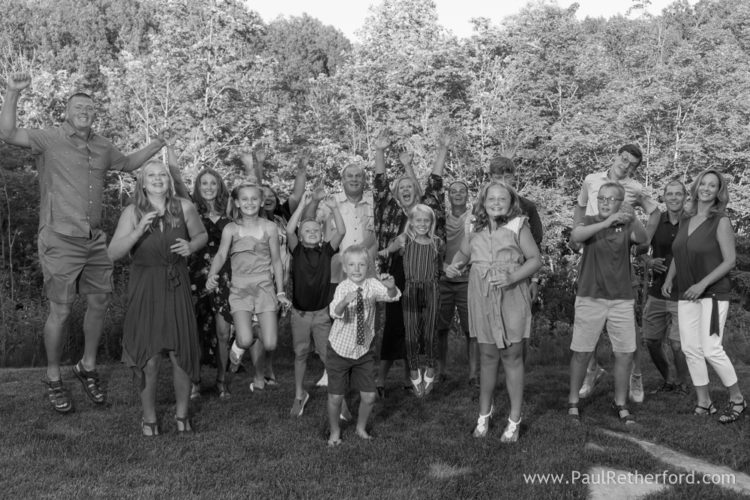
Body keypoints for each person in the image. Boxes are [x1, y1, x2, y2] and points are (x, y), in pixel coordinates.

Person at [0, 72, 168, 413]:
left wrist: (158, 143)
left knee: (100, 301)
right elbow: (8, 133)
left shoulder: (103, 146)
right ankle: (53, 376)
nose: (85, 111)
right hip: (59, 236)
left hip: (93, 239)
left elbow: (128, 163)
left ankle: (87, 366)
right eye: (78, 107)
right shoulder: (49, 138)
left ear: (95, 114)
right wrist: (13, 92)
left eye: (90, 108)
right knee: (61, 310)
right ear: (66, 112)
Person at [108, 160, 207, 435]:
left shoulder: (184, 207)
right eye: (151, 175)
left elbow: (201, 235)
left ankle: (182, 415)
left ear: (169, 180)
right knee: (148, 356)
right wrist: (138, 230)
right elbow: (113, 253)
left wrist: (191, 245)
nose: (157, 179)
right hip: (146, 286)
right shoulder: (132, 212)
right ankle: (149, 417)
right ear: (142, 182)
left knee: (180, 353)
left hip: (177, 283)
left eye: (162, 174)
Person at [446, 182, 541, 442]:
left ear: (511, 203)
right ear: (483, 201)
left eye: (502, 199)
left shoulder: (518, 225)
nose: (496, 203)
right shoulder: (473, 226)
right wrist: (455, 266)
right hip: (481, 295)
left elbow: (535, 259)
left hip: (511, 294)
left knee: (511, 356)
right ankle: (483, 415)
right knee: (487, 356)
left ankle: (514, 419)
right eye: (492, 198)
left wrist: (512, 277)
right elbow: (463, 254)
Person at [574, 144, 660, 403]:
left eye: (632, 164)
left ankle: (636, 374)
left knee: (627, 324)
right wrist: (577, 234)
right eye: (624, 159)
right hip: (591, 251)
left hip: (619, 256)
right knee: (587, 321)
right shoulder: (591, 180)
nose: (626, 165)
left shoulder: (634, 188)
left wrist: (643, 244)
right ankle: (592, 371)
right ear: (615, 156)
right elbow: (580, 206)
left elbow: (655, 212)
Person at [662, 169, 745, 422]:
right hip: (687, 293)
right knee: (690, 348)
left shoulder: (720, 221)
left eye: (713, 185)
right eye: (704, 184)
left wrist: (702, 284)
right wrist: (669, 278)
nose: (707, 189)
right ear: (696, 187)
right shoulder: (686, 219)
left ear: (719, 192)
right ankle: (704, 402)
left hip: (712, 292)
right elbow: (679, 253)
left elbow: (729, 261)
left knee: (711, 349)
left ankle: (737, 399)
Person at [373, 132, 449, 397]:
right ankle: (380, 380)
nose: (405, 190)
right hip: (397, 275)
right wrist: (380, 151)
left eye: (410, 186)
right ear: (396, 194)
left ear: (416, 191)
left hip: (425, 276)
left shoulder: (426, 214)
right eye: (401, 188)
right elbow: (380, 186)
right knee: (395, 325)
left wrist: (443, 149)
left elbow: (435, 184)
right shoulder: (390, 211)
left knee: (420, 328)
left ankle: (414, 376)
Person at [567, 182, 648, 424]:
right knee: (582, 352)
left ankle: (620, 403)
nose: (605, 202)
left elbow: (643, 240)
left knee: (624, 353)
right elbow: (576, 237)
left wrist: (632, 215)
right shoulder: (589, 221)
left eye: (611, 199)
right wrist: (606, 222)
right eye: (601, 197)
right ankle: (573, 402)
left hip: (621, 299)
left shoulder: (627, 224)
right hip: (590, 297)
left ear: (620, 203)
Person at [205, 183, 292, 391]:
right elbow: (221, 255)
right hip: (239, 288)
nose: (250, 203)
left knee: (270, 343)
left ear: (261, 202)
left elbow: (277, 261)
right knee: (244, 341)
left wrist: (280, 291)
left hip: (264, 287)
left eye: (254, 199)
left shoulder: (269, 227)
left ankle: (253, 330)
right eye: (244, 199)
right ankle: (241, 340)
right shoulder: (231, 229)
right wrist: (211, 275)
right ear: (237, 202)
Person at [240, 151, 306, 389]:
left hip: (281, 282)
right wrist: (258, 165)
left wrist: (301, 169)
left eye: (271, 196)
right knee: (259, 327)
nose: (267, 198)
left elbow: (297, 194)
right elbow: (254, 188)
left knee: (271, 328)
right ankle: (259, 375)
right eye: (263, 195)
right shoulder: (253, 219)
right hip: (258, 282)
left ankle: (268, 368)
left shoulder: (281, 218)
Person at [327, 245, 401, 446]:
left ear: (368, 267)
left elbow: (393, 296)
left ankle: (360, 428)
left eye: (361, 264)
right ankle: (334, 431)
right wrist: (344, 302)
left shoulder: (372, 285)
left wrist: (391, 286)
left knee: (369, 396)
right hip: (339, 350)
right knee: (336, 397)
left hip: (363, 351)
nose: (357, 269)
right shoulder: (342, 288)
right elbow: (334, 312)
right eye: (351, 265)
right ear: (345, 268)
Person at [286, 192, 346, 417]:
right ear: (300, 236)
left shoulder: (327, 251)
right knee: (300, 353)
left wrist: (335, 208)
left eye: (315, 230)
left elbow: (341, 231)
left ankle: (339, 399)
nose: (311, 232)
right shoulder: (297, 250)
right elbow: (289, 230)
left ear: (321, 234)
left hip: (321, 314)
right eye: (306, 230)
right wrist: (302, 205)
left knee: (326, 356)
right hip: (300, 315)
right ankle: (299, 395)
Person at [380, 204, 444, 397]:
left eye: (426, 220)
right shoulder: (404, 240)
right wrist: (381, 253)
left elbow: (440, 266)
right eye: (418, 220)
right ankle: (414, 369)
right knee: (411, 332)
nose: (422, 224)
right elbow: (387, 251)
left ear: (431, 223)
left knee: (430, 331)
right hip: (411, 289)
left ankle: (430, 367)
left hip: (432, 289)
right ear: (411, 222)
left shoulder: (437, 243)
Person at [639, 180, 690, 395]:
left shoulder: (692, 220)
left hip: (684, 292)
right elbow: (639, 248)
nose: (674, 198)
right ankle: (668, 378)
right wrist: (649, 261)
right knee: (651, 340)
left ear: (685, 197)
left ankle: (682, 383)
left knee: (677, 344)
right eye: (670, 194)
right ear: (664, 197)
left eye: (678, 194)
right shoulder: (656, 220)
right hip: (657, 290)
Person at [187, 165, 233, 400]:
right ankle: (195, 382)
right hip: (196, 277)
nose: (208, 187)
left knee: (223, 332)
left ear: (219, 186)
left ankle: (221, 381)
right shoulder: (190, 209)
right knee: (195, 330)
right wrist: (169, 148)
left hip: (224, 277)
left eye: (213, 183)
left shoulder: (230, 210)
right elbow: (177, 180)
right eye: (204, 183)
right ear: (197, 187)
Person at [436, 180, 478, 386]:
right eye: (454, 191)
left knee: (472, 330)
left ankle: (473, 374)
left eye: (462, 191)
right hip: (443, 279)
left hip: (467, 280)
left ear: (467, 195)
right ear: (449, 196)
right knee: (440, 328)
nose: (458, 194)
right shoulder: (440, 220)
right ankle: (440, 371)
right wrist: (443, 267)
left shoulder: (474, 218)